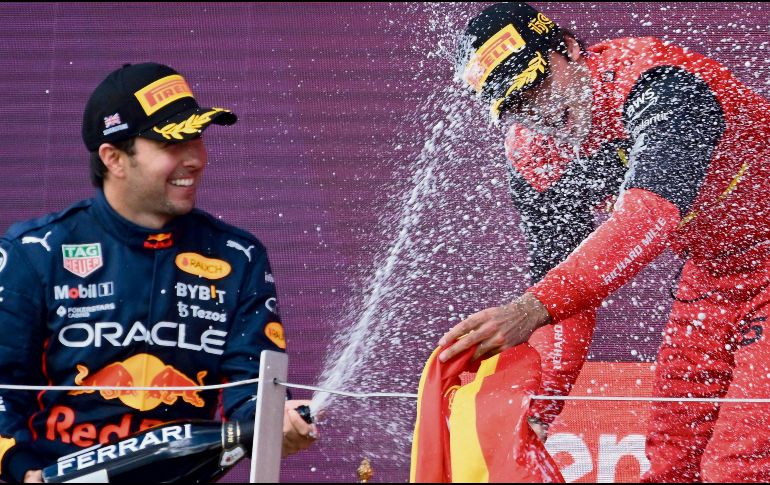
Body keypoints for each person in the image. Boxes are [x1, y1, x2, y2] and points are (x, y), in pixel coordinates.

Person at [440, 2, 770, 482]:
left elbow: (649, 219)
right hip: (711, 273)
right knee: (671, 460)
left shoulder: (658, 84)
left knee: (739, 466)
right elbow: (562, 293)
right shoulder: (535, 154)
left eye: (537, 86)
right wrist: (538, 409)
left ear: (570, 49)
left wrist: (528, 310)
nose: (538, 113)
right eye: (515, 105)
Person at [0, 62, 316, 483]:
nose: (197, 159)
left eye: (198, 137)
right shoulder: (34, 253)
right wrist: (23, 472)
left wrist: (274, 419)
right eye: (173, 143)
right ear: (114, 158)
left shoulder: (239, 255)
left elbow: (251, 389)